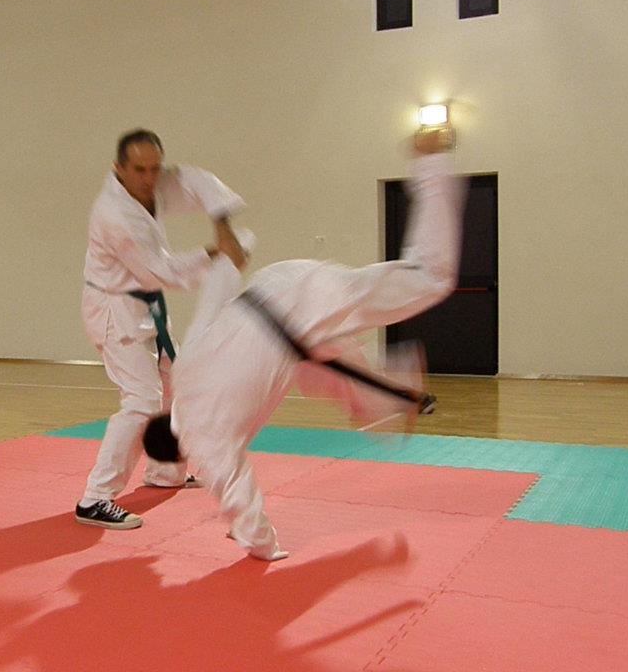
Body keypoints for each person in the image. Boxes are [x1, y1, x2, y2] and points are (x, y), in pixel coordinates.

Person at [143, 130, 465, 559]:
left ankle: (430, 164)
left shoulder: (206, 443)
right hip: (278, 289)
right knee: (317, 375)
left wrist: (262, 545)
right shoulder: (184, 374)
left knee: (429, 277)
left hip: (305, 313)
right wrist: (231, 258)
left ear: (180, 456)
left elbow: (236, 491)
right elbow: (212, 304)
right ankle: (395, 398)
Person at [76, 129, 246, 529]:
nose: (150, 178)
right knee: (142, 400)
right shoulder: (114, 214)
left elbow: (197, 180)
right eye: (140, 170)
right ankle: (95, 497)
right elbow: (158, 271)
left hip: (144, 304)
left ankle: (165, 471)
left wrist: (222, 224)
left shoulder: (154, 182)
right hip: (114, 308)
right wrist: (214, 254)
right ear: (118, 168)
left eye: (155, 168)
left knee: (176, 383)